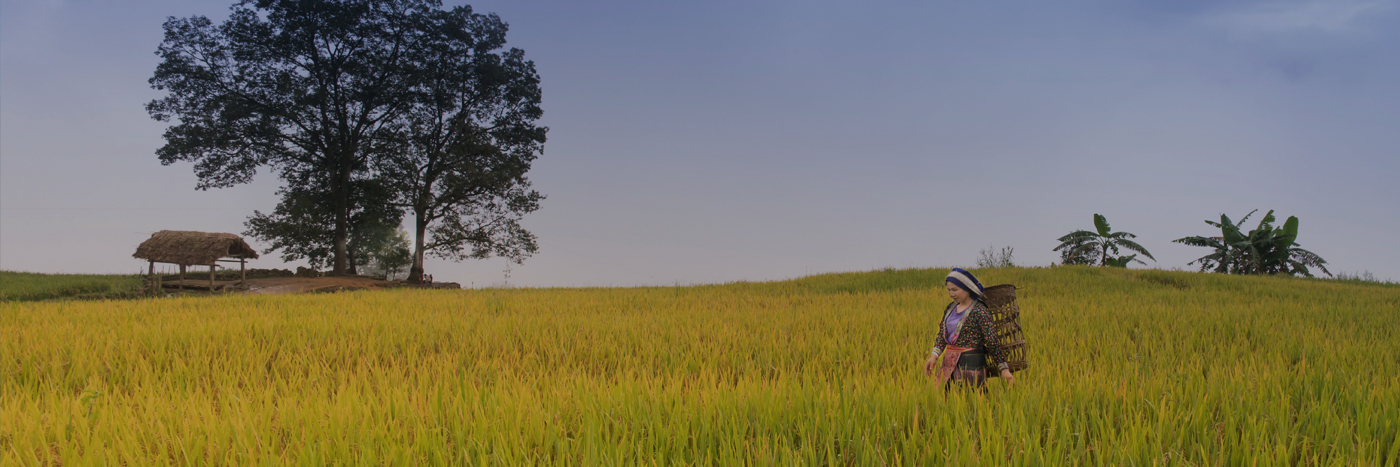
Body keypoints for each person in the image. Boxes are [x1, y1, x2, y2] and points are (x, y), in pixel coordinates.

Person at [923, 268, 1014, 390]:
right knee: (945, 400)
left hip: (971, 363)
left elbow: (991, 341)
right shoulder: (950, 308)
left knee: (971, 401)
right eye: (949, 290)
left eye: (955, 290)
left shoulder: (980, 310)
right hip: (948, 363)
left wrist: (1004, 369)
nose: (951, 294)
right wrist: (934, 357)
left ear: (967, 288)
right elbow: (942, 335)